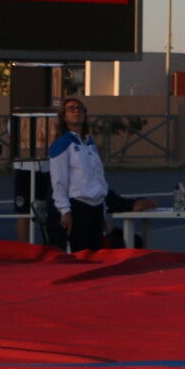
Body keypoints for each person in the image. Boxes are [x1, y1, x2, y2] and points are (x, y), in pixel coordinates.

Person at [48, 96, 109, 253]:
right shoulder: (62, 143)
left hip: (96, 205)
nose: (76, 111)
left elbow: (98, 176)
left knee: (97, 254)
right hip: (78, 205)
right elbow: (58, 180)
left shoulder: (90, 143)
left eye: (80, 108)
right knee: (81, 254)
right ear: (63, 116)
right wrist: (65, 210)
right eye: (71, 109)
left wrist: (103, 210)